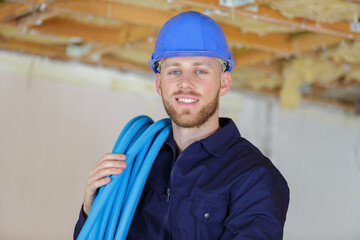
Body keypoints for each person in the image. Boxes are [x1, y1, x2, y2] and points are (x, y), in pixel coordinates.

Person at [74, 11, 289, 240]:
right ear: (159, 84)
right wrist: (92, 210)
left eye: (200, 71)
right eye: (174, 71)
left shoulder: (255, 177)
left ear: (224, 83)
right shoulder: (136, 161)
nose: (186, 84)